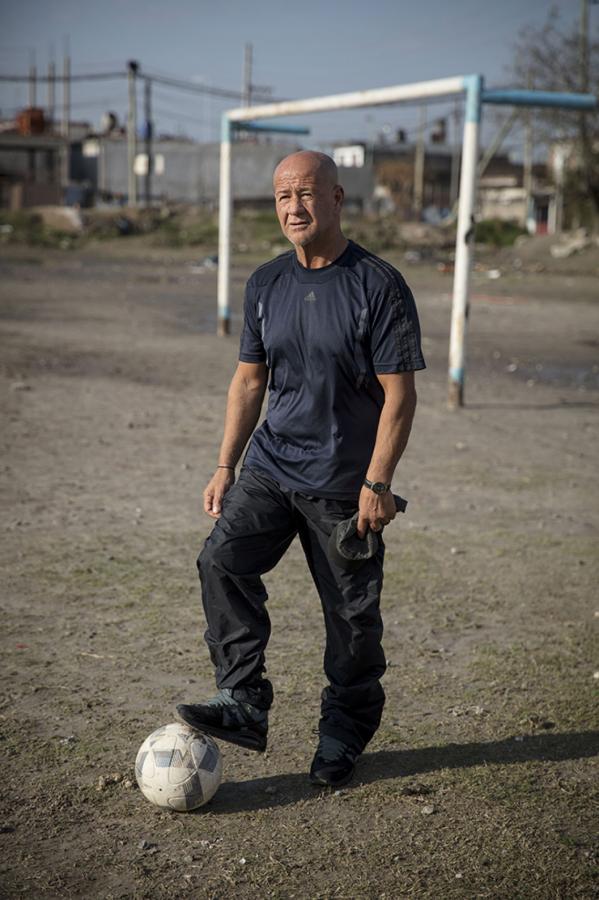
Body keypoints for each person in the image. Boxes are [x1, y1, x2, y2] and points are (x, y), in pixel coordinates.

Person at [177, 150, 425, 787]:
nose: (294, 208)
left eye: (307, 194)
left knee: (350, 622)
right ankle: (244, 700)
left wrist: (378, 483)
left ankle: (343, 731)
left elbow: (400, 395)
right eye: (284, 196)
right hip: (270, 466)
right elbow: (248, 381)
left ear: (338, 199)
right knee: (221, 561)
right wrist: (225, 464)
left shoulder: (379, 285)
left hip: (344, 484)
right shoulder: (265, 283)